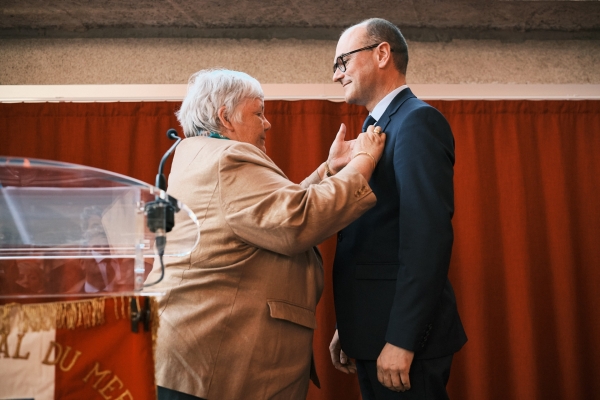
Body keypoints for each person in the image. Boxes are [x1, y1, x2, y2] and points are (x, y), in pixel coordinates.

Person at [146, 69, 386, 400]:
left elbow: (271, 214)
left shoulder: (200, 155)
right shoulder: (229, 158)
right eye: (258, 112)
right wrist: (364, 161)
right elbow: (297, 221)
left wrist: (329, 170)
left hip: (198, 360)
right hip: (216, 365)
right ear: (225, 118)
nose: (267, 123)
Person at [328, 18, 467, 399]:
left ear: (382, 54)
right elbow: (377, 238)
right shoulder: (375, 129)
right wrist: (356, 323)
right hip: (374, 332)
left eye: (342, 61)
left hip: (404, 342)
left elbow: (427, 238)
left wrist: (402, 340)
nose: (337, 75)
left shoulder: (417, 121)